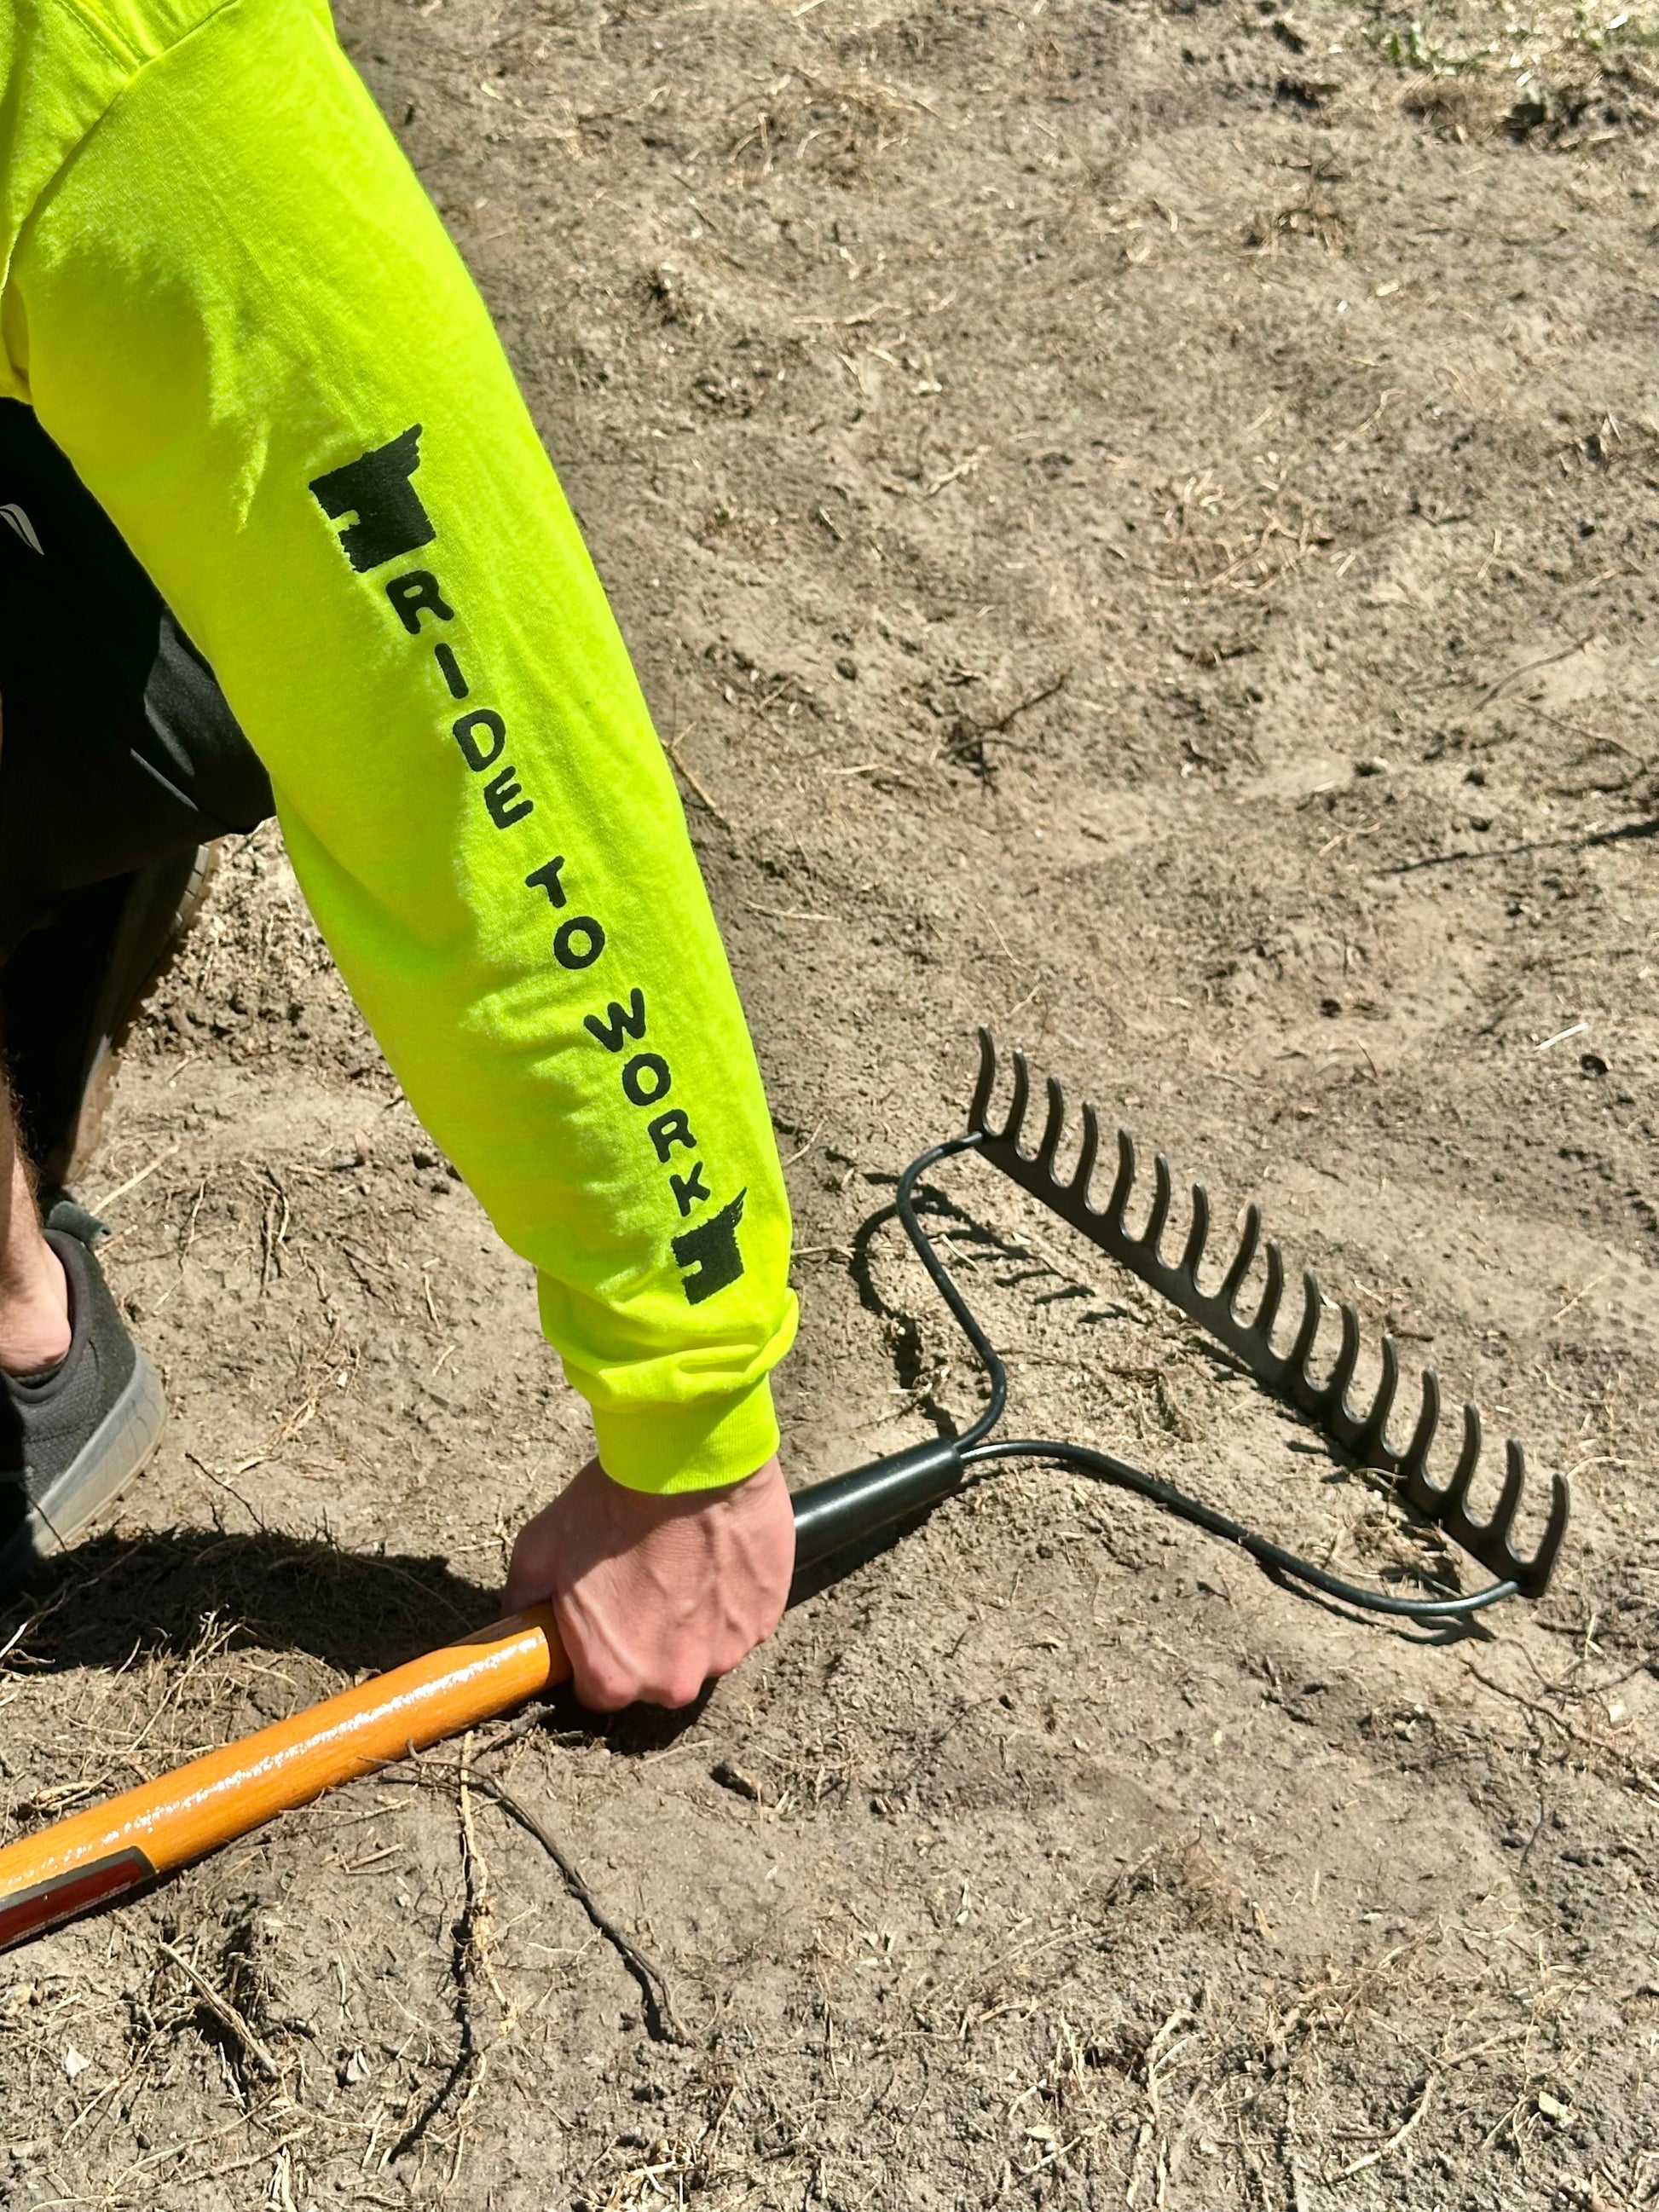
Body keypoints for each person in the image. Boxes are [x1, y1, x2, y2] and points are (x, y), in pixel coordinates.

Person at [0, 0, 799, 1708]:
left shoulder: (93, 56)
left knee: (280, 573)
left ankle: (10, 1318)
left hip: (166, 546)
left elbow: (456, 697)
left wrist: (689, 1419)